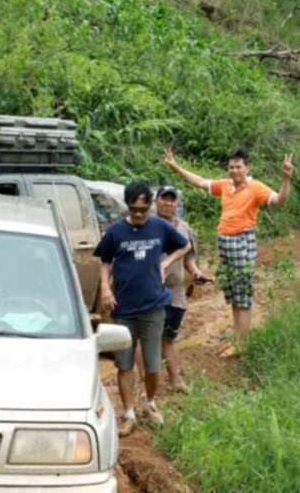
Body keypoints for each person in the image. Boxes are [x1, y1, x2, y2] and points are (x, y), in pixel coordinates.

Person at [164, 147, 293, 354]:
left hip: (242, 241)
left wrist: (285, 178)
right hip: (225, 243)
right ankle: (238, 340)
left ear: (247, 167)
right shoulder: (225, 185)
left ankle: (242, 344)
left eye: (238, 167)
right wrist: (175, 166)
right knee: (233, 295)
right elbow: (199, 181)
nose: (234, 170)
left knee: (242, 296)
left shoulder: (256, 187)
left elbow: (279, 200)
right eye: (231, 167)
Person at [93, 180, 191, 436]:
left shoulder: (160, 226)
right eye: (133, 209)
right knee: (124, 364)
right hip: (123, 309)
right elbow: (105, 261)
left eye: (143, 210)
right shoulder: (115, 232)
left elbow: (184, 245)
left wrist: (165, 262)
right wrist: (105, 288)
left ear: (150, 206)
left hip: (153, 306)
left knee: (152, 365)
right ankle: (128, 413)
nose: (138, 215)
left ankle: (150, 402)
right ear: (127, 206)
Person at [151, 185, 207, 393]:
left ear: (177, 203)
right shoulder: (146, 224)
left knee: (169, 337)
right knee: (148, 338)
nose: (167, 203)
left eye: (171, 199)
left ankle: (175, 380)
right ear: (156, 201)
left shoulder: (184, 228)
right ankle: (149, 386)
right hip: (150, 291)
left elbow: (189, 259)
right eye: (163, 199)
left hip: (175, 291)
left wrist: (196, 272)